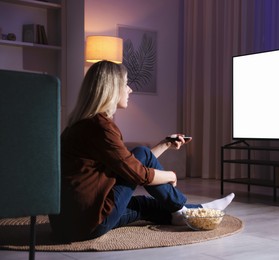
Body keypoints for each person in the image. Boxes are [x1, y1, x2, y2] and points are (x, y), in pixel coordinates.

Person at [49, 60, 235, 242]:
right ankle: (190, 212)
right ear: (112, 89)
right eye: (126, 84)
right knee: (142, 153)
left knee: (144, 204)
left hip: (68, 224)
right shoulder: (101, 128)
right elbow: (138, 174)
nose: (130, 89)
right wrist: (169, 174)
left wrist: (165, 144)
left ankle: (186, 213)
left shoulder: (78, 125)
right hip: (91, 223)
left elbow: (129, 164)